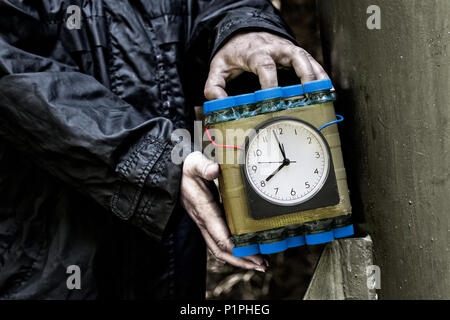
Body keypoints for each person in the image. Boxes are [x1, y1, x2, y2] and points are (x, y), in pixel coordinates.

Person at [0, 0, 328, 299]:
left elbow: (213, 7)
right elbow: (11, 74)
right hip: (39, 260)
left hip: (167, 261)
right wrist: (153, 158)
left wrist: (243, 29)